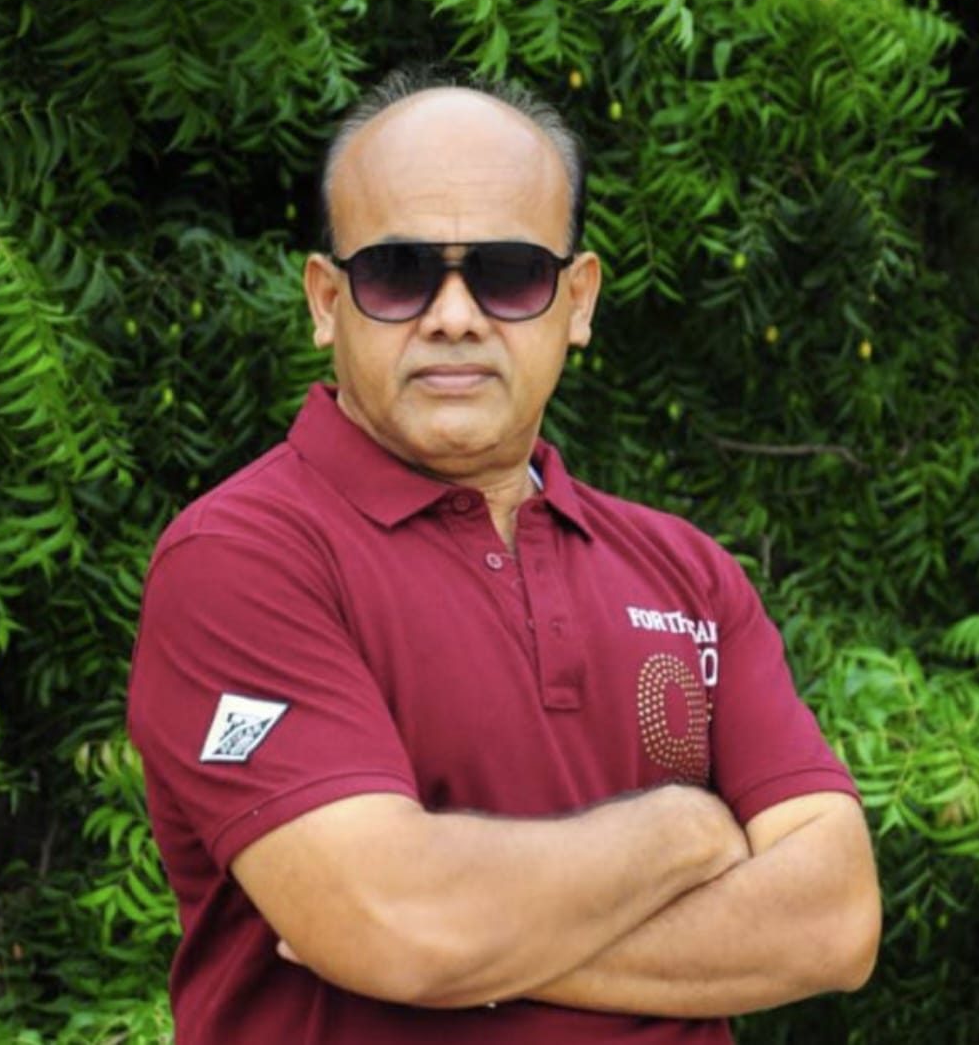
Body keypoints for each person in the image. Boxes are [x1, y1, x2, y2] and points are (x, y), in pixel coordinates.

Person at [127, 69, 880, 1045]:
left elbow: (833, 922)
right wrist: (682, 832)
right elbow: (392, 921)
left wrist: (458, 953)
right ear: (326, 301)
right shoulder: (242, 560)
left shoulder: (688, 573)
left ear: (578, 299)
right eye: (398, 273)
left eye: (510, 273)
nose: (454, 314)